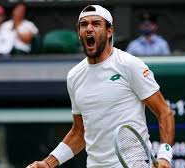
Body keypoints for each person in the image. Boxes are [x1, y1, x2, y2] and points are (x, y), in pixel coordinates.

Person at [26, 5, 175, 168]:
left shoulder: (129, 65)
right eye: (84, 25)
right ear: (79, 33)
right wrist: (48, 163)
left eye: (96, 24)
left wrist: (164, 156)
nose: (89, 28)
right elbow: (79, 132)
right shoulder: (74, 76)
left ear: (109, 31)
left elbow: (164, 112)